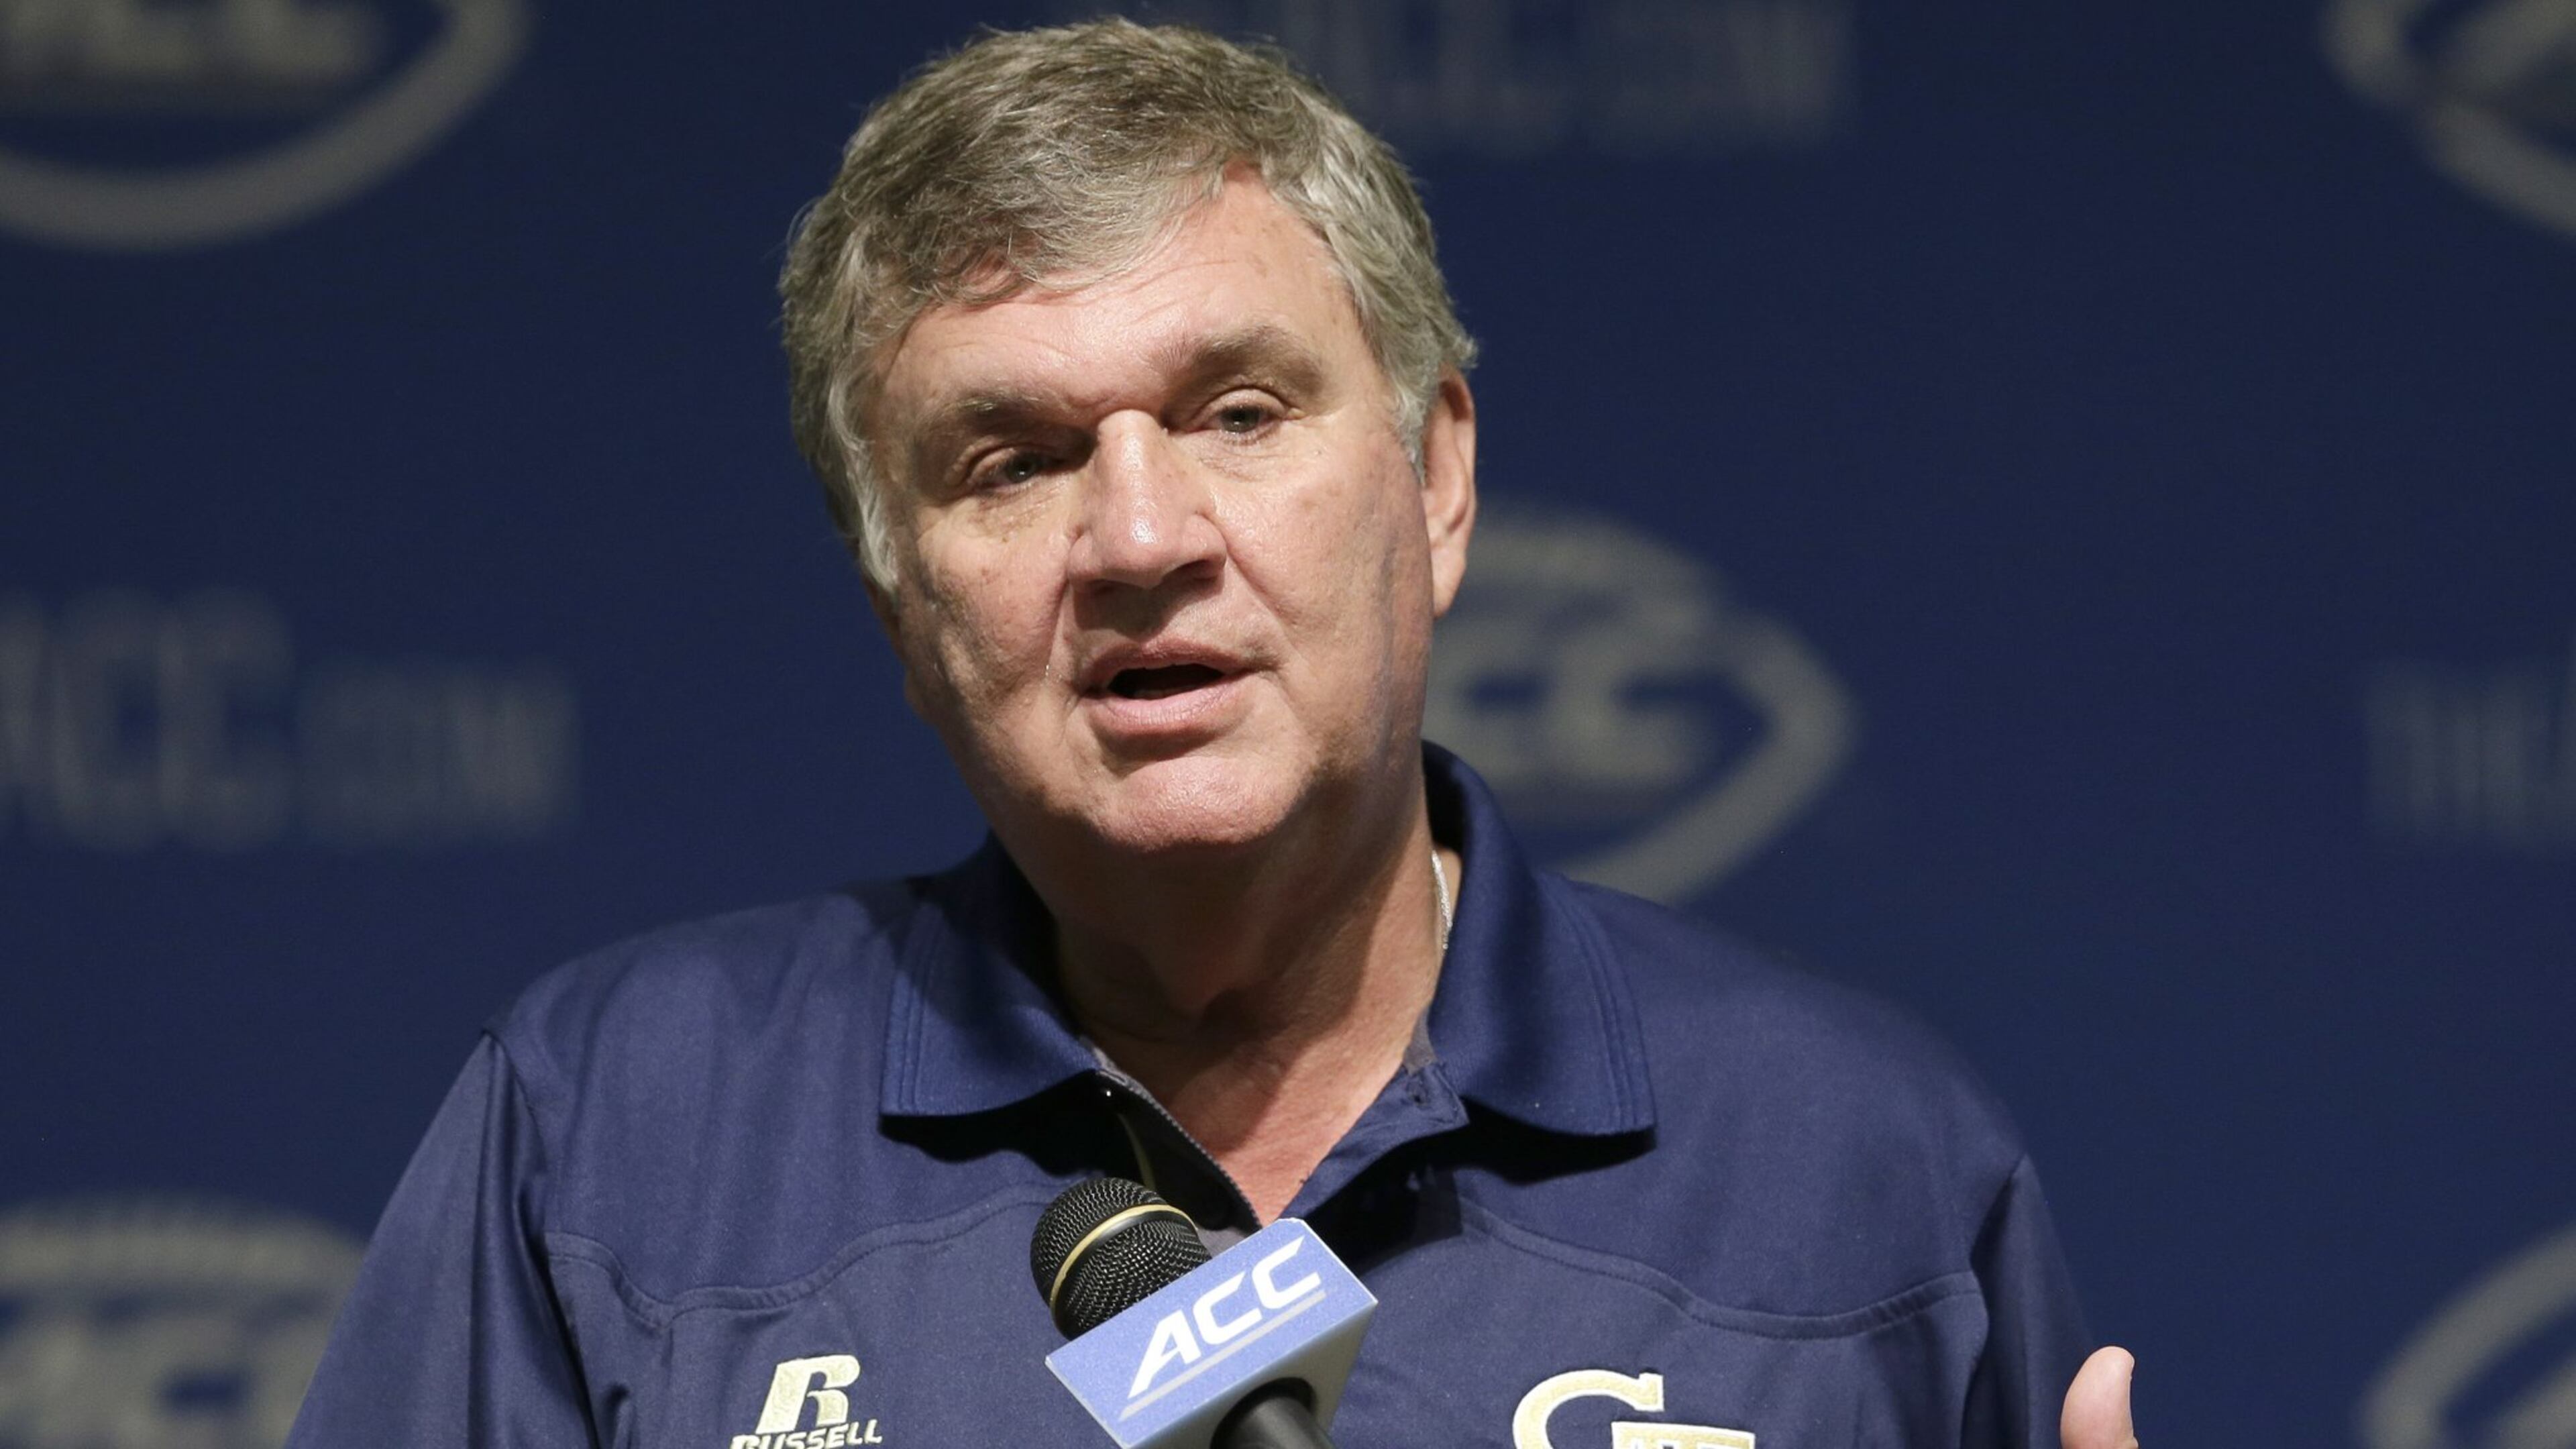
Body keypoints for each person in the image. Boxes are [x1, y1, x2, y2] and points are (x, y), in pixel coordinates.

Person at [288, 19, 2137, 1449]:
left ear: (1436, 480)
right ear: (897, 602)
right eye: (1012, 462)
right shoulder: (612, 1140)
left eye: (1237, 414)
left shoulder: (1858, 1168)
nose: (1141, 537)